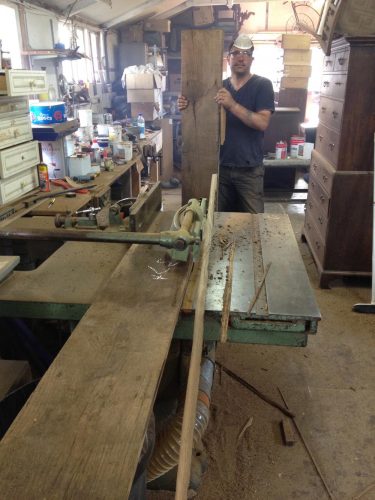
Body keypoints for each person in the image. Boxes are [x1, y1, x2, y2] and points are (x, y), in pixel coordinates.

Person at [178, 34, 275, 213]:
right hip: (219, 168)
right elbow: (201, 115)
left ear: (252, 59)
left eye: (245, 53)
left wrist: (232, 105)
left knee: (254, 224)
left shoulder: (262, 85)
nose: (240, 57)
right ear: (228, 58)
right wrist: (186, 105)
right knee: (218, 222)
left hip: (249, 170)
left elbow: (262, 123)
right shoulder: (218, 86)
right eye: (235, 52)